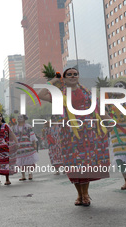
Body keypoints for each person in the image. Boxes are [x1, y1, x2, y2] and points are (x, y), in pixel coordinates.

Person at [38, 68, 111, 206]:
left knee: (86, 163)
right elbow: (41, 94)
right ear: (64, 79)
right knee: (74, 164)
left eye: (75, 74)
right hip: (69, 134)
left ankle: (85, 194)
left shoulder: (88, 93)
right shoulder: (60, 94)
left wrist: (110, 122)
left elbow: (99, 109)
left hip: (88, 133)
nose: (73, 76)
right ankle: (79, 194)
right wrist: (55, 80)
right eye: (69, 75)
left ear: (78, 76)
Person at [0, 111, 18, 186]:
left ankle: (7, 179)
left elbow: (11, 134)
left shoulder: (5, 126)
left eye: (0, 116)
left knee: (5, 163)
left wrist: (16, 142)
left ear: (2, 118)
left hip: (4, 148)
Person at [12, 115, 39, 181]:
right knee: (21, 162)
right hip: (19, 147)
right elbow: (12, 136)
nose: (19, 119)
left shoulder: (28, 126)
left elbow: (32, 135)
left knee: (29, 161)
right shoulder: (14, 127)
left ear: (24, 119)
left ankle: (30, 174)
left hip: (28, 146)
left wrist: (34, 144)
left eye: (21, 117)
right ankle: (23, 175)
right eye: (18, 117)